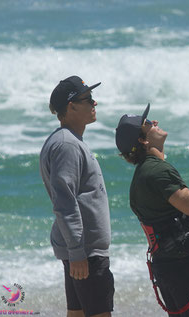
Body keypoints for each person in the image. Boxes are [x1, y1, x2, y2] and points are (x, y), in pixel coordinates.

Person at [115, 104, 189, 317]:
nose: (155, 122)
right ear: (143, 141)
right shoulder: (155, 170)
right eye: (148, 123)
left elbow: (175, 226)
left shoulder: (145, 173)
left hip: (168, 267)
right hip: (181, 268)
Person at [40, 76, 114, 317]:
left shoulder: (68, 141)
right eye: (88, 99)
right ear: (71, 106)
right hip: (86, 253)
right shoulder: (67, 145)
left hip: (82, 251)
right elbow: (65, 202)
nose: (95, 103)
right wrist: (77, 252)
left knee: (77, 313)